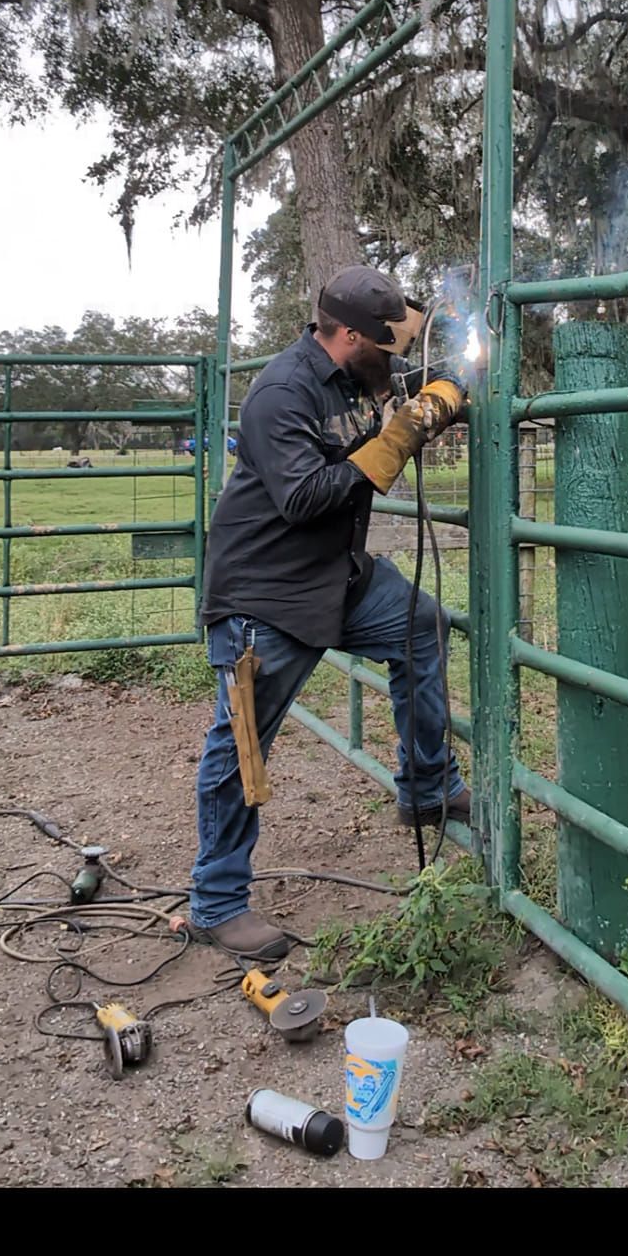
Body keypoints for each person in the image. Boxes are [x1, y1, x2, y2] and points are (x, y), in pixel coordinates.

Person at [187, 265, 470, 961]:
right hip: (266, 595)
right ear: (347, 335)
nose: (395, 364)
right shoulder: (281, 392)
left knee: (421, 625)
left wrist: (443, 393)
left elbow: (386, 406)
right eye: (387, 349)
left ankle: (426, 787)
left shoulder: (351, 379)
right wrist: (403, 433)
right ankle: (216, 901)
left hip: (334, 577)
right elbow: (307, 498)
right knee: (242, 749)